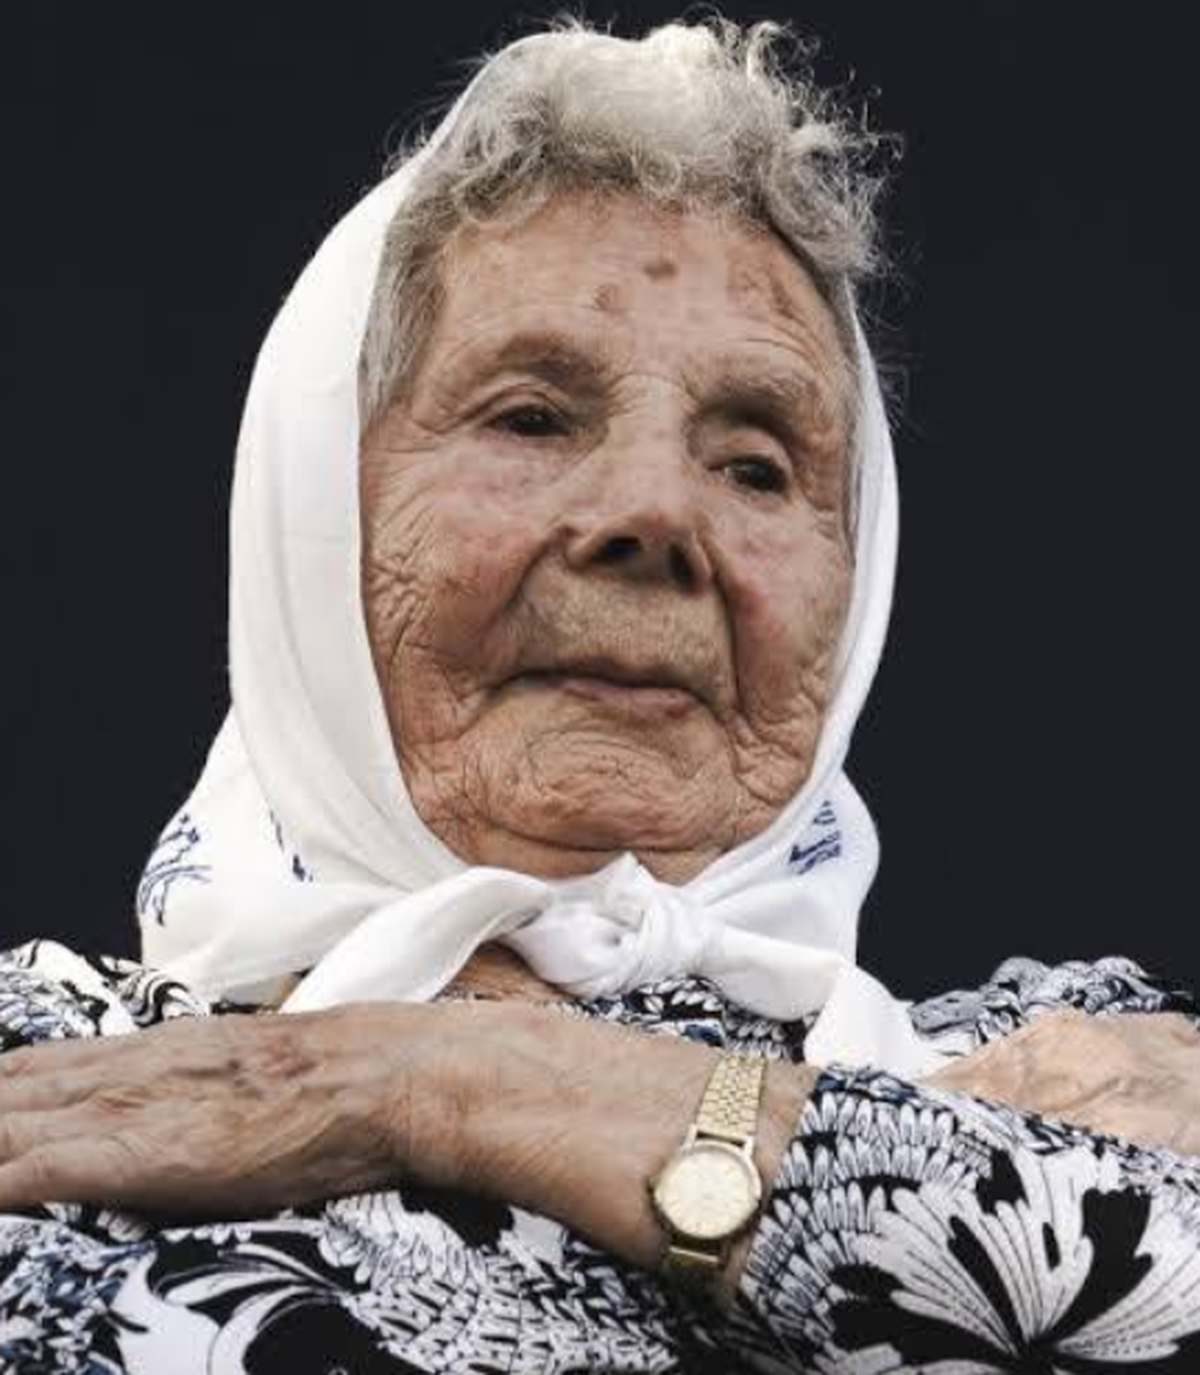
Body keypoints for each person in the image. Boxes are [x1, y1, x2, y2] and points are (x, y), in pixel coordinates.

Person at [2, 15, 1199, 1373]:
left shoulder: (1071, 1051)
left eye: (756, 464)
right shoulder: (53, 1069)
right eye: (530, 416)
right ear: (310, 515)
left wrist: (447, 1079)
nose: (652, 514)